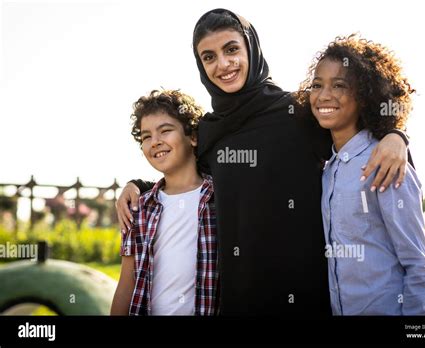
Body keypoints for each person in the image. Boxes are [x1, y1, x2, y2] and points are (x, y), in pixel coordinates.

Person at [116, 9, 409, 317]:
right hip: (238, 299)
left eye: (231, 50)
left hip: (307, 293)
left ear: (250, 48)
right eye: (209, 57)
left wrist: (396, 135)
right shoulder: (209, 131)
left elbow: (365, 118)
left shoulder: (298, 113)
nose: (223, 64)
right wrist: (138, 185)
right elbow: (182, 177)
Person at [297, 34, 425, 315]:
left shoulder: (385, 163)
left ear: (364, 96)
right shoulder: (327, 170)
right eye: (317, 85)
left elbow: (419, 268)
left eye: (339, 85)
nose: (324, 95)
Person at [110, 89, 219, 316]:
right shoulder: (138, 208)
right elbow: (126, 285)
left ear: (193, 136)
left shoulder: (220, 200)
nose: (155, 142)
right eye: (146, 136)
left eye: (165, 131)